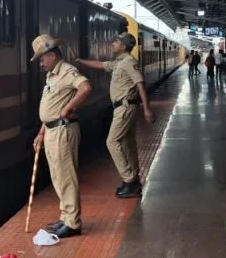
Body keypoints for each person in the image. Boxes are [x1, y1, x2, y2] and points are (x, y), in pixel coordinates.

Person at [74, 33, 155, 198]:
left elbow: (140, 84)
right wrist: (80, 61)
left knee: (112, 141)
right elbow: (100, 64)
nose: (112, 44)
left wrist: (147, 109)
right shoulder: (119, 62)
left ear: (123, 46)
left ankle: (129, 179)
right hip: (124, 107)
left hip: (125, 107)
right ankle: (134, 181)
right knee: (127, 143)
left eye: (116, 42)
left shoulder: (129, 63)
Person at [30, 34, 92, 238]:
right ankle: (66, 216)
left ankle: (73, 223)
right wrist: (41, 132)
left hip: (63, 130)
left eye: (42, 58)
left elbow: (85, 88)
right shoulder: (52, 75)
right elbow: (50, 107)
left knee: (66, 176)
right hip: (51, 130)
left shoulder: (67, 71)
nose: (40, 63)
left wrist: (68, 108)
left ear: (52, 55)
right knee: (58, 175)